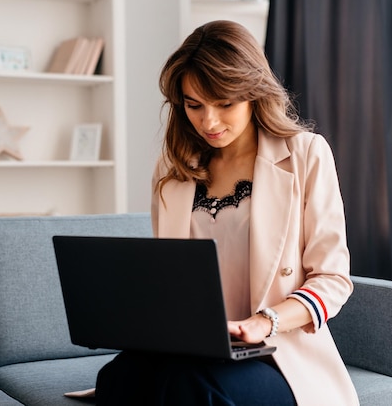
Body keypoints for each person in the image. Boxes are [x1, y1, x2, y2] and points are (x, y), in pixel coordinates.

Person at [95, 20, 359, 406]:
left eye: (225, 103)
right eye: (194, 105)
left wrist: (263, 321)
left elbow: (333, 279)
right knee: (119, 378)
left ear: (253, 92)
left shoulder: (305, 154)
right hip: (193, 347)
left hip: (276, 351)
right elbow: (171, 279)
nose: (209, 122)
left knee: (192, 386)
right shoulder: (171, 170)